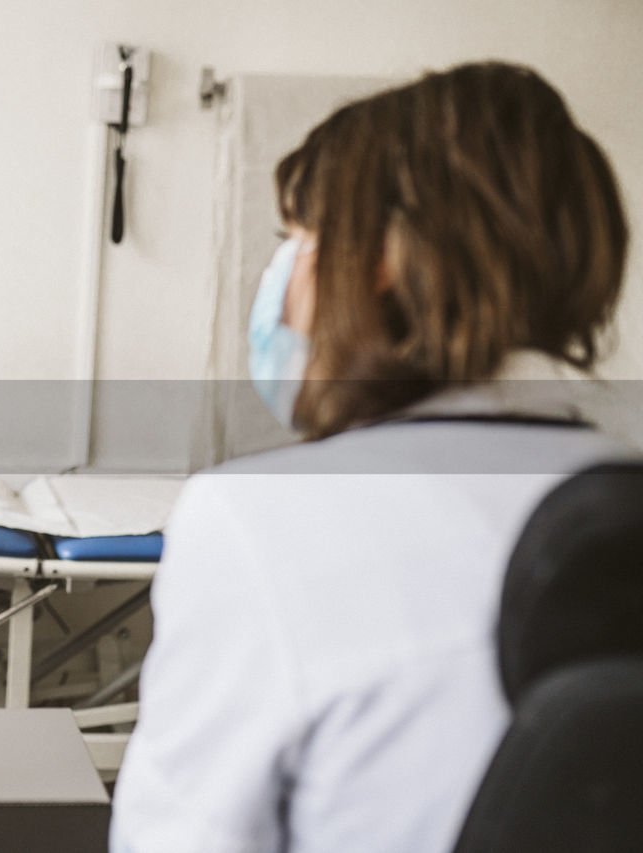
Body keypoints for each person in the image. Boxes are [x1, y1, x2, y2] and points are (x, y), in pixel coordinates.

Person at [112, 62, 634, 852]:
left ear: (383, 258)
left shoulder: (256, 522)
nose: (284, 280)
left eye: (298, 241)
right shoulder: (622, 492)